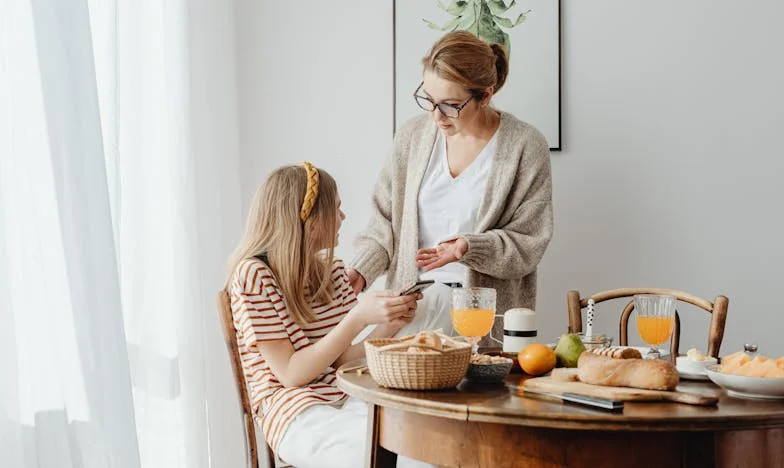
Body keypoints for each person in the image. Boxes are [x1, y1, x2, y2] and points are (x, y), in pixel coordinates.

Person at [348, 30, 554, 343]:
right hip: (411, 309)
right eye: (428, 100)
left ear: (485, 95)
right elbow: (384, 224)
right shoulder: (412, 138)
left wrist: (470, 247)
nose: (436, 116)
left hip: (482, 321)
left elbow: (529, 242)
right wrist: (360, 272)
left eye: (450, 105)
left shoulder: (525, 146)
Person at [225, 163, 435, 468]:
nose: (343, 218)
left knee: (424, 450)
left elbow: (341, 361)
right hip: (295, 411)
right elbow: (292, 374)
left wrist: (391, 322)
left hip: (348, 395)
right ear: (310, 219)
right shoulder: (254, 275)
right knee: (391, 460)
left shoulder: (331, 273)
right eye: (336, 209)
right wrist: (359, 318)